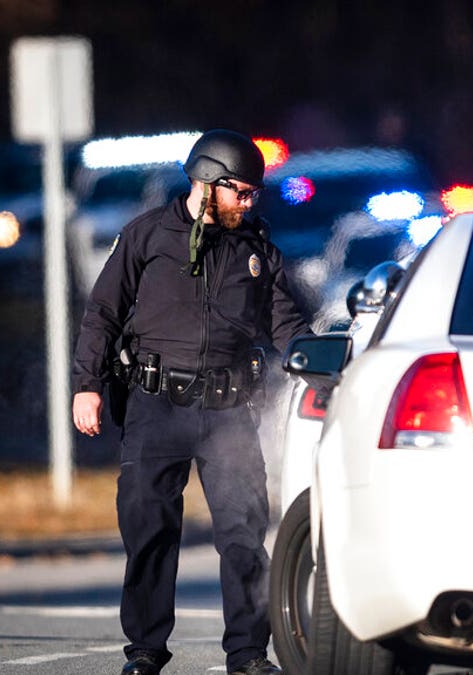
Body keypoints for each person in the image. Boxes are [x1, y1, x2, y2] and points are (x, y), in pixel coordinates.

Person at [72, 129, 309, 675]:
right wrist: (87, 384)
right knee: (150, 531)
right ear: (206, 183)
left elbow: (287, 325)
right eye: (240, 192)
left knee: (245, 536)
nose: (249, 203)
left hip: (228, 412)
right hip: (155, 407)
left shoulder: (256, 249)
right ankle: (146, 651)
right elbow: (102, 313)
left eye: (254, 194)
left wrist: (319, 363)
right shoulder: (146, 236)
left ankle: (248, 654)